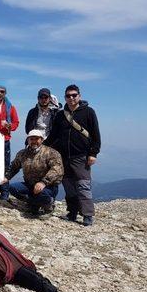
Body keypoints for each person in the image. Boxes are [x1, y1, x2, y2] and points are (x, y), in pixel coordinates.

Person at [45, 84, 101, 226]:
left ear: (79, 96)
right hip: (63, 156)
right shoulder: (60, 115)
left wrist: (93, 153)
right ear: (65, 97)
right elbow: (54, 135)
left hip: (81, 155)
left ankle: (87, 215)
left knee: (83, 185)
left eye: (74, 95)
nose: (71, 98)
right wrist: (42, 146)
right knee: (69, 186)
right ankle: (72, 212)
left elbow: (95, 134)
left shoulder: (88, 112)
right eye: (68, 96)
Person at [2, 129, 63, 215]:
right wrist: (7, 177)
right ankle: (33, 203)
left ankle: (48, 204)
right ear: (28, 140)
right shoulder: (22, 153)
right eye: (31, 139)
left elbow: (57, 170)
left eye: (36, 139)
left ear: (41, 140)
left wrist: (43, 182)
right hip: (30, 184)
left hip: (48, 187)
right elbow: (14, 167)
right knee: (12, 188)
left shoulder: (51, 152)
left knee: (42, 194)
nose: (34, 141)